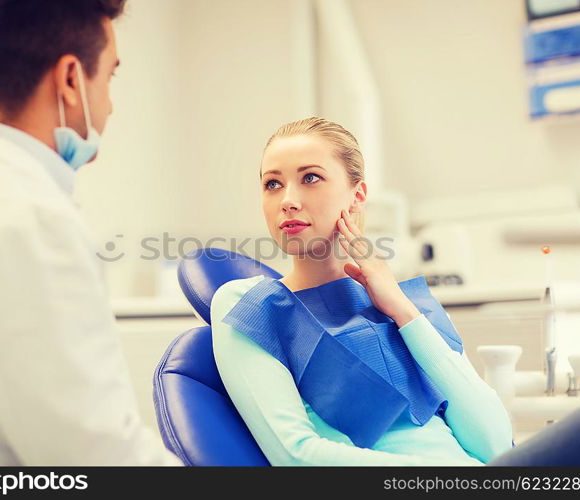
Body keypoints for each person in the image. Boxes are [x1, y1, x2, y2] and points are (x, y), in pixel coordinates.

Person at [0, 0, 180, 466]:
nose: (109, 103)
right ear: (71, 79)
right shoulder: (30, 222)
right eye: (109, 77)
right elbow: (95, 457)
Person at [210, 117, 515, 466]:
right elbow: (295, 456)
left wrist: (403, 313)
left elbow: (496, 444)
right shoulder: (251, 306)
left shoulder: (408, 305)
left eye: (310, 178)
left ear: (357, 197)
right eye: (273, 184)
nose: (288, 200)